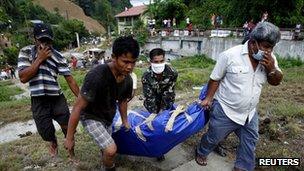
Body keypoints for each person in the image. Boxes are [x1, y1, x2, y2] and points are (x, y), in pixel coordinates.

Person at [195, 22, 283, 171]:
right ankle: (201, 152)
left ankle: (242, 166)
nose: (269, 51)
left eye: (272, 47)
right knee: (214, 137)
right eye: (266, 46)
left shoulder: (270, 58)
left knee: (250, 140)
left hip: (249, 113)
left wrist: (271, 68)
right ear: (253, 42)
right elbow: (215, 78)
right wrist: (209, 98)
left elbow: (276, 81)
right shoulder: (230, 55)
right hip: (225, 109)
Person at [64, 36, 140, 171]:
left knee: (105, 150)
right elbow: (77, 107)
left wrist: (125, 121)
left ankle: (104, 165)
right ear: (113, 57)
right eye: (125, 61)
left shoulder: (127, 80)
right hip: (90, 116)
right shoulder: (97, 75)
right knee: (111, 150)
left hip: (108, 117)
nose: (129, 67)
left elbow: (122, 101)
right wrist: (70, 137)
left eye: (133, 62)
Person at [17, 23, 79, 158]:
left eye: (48, 41)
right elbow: (23, 78)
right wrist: (39, 59)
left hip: (56, 97)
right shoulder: (26, 52)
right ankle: (53, 142)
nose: (45, 45)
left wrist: (81, 99)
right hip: (38, 99)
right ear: (35, 39)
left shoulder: (58, 56)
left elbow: (70, 80)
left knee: (67, 127)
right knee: (45, 131)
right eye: (42, 40)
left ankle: (71, 154)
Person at [142, 48, 178, 161]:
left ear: (165, 60)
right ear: (150, 61)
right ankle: (156, 149)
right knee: (153, 126)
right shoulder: (146, 76)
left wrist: (164, 110)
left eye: (161, 61)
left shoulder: (172, 72)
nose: (159, 64)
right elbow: (149, 96)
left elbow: (169, 92)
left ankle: (162, 147)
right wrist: (154, 113)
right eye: (156, 62)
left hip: (166, 100)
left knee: (165, 125)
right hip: (152, 102)